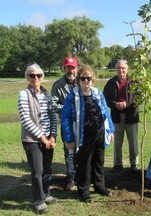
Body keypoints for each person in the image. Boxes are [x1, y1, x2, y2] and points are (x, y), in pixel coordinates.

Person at [61, 65, 114, 202]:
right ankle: (83, 190)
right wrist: (69, 138)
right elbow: (65, 117)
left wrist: (111, 130)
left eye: (88, 78)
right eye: (83, 78)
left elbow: (106, 113)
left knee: (98, 162)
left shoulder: (98, 93)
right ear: (79, 80)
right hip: (83, 136)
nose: (86, 81)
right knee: (84, 164)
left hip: (99, 134)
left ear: (93, 79)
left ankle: (99, 186)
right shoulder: (73, 95)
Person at [18, 64, 58, 214]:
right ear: (27, 77)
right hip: (32, 139)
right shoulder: (24, 94)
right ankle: (39, 201)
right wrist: (42, 138)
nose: (35, 78)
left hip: (48, 138)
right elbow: (25, 119)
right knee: (37, 170)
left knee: (47, 169)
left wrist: (53, 136)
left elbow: (53, 116)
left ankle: (46, 194)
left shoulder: (47, 94)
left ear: (42, 77)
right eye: (32, 75)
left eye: (38, 75)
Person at [103, 60, 139, 172]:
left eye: (123, 68)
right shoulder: (111, 83)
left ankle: (134, 164)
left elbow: (139, 97)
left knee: (133, 141)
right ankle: (118, 164)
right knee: (117, 141)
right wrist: (115, 104)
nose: (121, 70)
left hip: (131, 116)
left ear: (127, 69)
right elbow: (105, 99)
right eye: (118, 68)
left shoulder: (134, 82)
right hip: (116, 116)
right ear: (116, 69)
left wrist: (126, 103)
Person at [51, 56, 78, 190]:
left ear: (76, 69)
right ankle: (71, 176)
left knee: (84, 148)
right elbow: (53, 104)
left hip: (82, 123)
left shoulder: (83, 80)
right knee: (69, 149)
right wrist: (68, 107)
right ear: (64, 68)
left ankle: (83, 174)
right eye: (68, 67)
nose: (70, 70)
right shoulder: (58, 85)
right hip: (67, 123)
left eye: (72, 68)